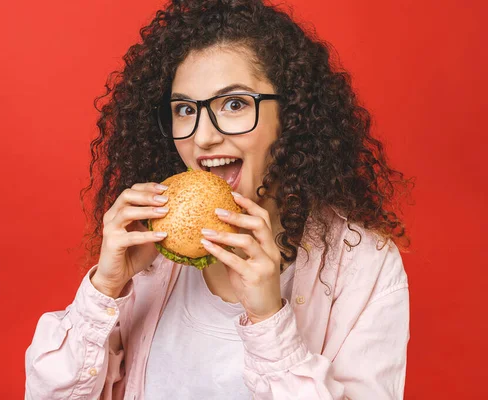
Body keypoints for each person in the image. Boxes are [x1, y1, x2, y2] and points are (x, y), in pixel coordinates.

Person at [25, 0, 413, 398]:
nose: (203, 137)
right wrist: (105, 289)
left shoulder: (363, 265)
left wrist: (268, 319)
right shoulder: (147, 252)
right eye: (185, 108)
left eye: (234, 104)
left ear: (292, 114)